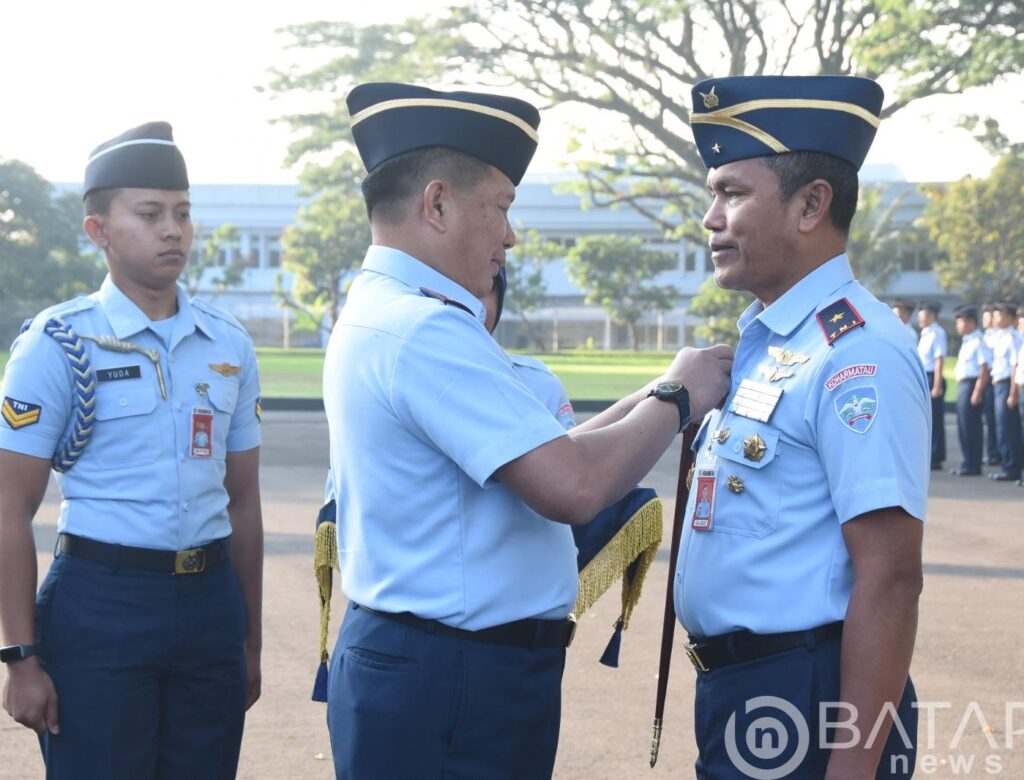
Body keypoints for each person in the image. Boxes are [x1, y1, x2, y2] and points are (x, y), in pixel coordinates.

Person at [323, 82, 732, 779]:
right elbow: (571, 485)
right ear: (439, 203)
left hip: (442, 667)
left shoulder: (393, 310)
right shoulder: (423, 329)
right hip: (453, 676)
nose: (510, 235)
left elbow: (541, 448)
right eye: (501, 208)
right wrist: (677, 397)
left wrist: (658, 388)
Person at [678, 75, 929, 778]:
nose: (711, 218)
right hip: (748, 692)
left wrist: (852, 768)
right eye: (713, 196)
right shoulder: (774, 344)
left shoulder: (857, 354)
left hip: (805, 695)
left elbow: (890, 578)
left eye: (731, 193)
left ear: (811, 204)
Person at [0, 122, 264, 779]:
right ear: (99, 231)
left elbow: (245, 500)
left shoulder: (227, 345)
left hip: (209, 607)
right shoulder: (59, 344)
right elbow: (8, 506)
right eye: (149, 214)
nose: (172, 229)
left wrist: (250, 640)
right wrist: (20, 657)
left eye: (182, 213)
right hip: (100, 605)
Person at [950, 304, 991, 476]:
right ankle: (967, 462)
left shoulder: (978, 341)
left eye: (960, 321)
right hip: (963, 384)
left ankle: (973, 464)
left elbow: (984, 368)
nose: (958, 326)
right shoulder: (968, 341)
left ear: (971, 322)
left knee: (972, 427)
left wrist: (977, 391)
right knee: (963, 426)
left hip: (972, 385)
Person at [987, 302, 1022, 482]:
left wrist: (1012, 392)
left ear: (1009, 318)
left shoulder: (1012, 337)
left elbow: (1015, 365)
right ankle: (1007, 464)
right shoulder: (1000, 336)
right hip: (997, 384)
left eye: (1001, 315)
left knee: (1008, 428)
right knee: (1001, 427)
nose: (997, 318)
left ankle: (1012, 467)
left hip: (1007, 384)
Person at [917, 301, 947, 470]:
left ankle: (936, 456)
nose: (921, 320)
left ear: (932, 316)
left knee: (935, 420)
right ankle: (930, 455)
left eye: (924, 316)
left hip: (932, 378)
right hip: (925, 377)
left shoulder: (937, 333)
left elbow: (939, 359)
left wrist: (936, 385)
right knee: (927, 419)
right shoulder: (925, 333)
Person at [981, 304, 1001, 466]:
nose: (986, 320)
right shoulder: (987, 335)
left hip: (996, 380)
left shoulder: (999, 336)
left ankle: (998, 453)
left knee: (997, 420)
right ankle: (993, 451)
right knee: (990, 419)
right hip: (989, 381)